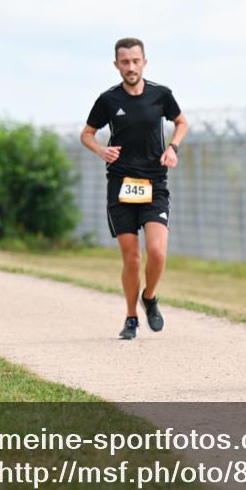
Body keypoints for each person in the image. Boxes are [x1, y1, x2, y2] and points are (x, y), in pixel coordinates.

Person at [81, 37, 188, 340]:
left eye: (135, 61)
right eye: (124, 62)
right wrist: (101, 150)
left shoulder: (161, 94)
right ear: (116, 65)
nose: (130, 67)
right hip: (121, 185)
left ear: (144, 62)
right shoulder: (108, 100)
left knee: (156, 251)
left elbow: (181, 123)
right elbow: (86, 134)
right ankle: (130, 317)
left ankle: (150, 297)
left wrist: (173, 149)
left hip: (155, 183)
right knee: (132, 258)